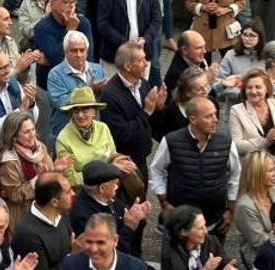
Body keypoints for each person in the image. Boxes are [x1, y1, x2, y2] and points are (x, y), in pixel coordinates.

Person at [149, 95, 241, 241]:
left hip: (216, 221)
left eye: (215, 114)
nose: (215, 119)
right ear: (193, 119)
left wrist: (230, 210)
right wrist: (164, 203)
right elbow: (157, 170)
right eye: (209, 116)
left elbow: (235, 176)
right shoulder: (171, 141)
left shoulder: (226, 143)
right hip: (180, 222)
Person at [99, 41, 168, 184]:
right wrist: (147, 111)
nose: (146, 63)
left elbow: (150, 123)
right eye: (141, 60)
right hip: (124, 162)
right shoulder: (110, 95)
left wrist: (158, 107)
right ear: (128, 66)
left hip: (141, 156)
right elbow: (121, 134)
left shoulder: (142, 83)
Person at [0, 111, 72, 231]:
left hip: (47, 211)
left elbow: (47, 178)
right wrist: (38, 179)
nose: (32, 135)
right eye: (26, 132)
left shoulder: (40, 148)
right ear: (14, 136)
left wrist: (56, 170)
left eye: (33, 129)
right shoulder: (8, 161)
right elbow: (15, 194)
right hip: (23, 216)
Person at [70, 160, 150, 255]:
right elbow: (109, 252)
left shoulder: (104, 197)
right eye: (114, 183)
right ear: (102, 188)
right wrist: (129, 226)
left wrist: (135, 212)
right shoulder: (84, 216)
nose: (116, 187)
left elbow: (122, 209)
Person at [47, 30, 107, 145]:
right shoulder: (55, 74)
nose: (79, 54)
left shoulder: (98, 69)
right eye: (74, 51)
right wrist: (91, 90)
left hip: (94, 134)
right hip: (67, 137)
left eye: (82, 50)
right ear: (65, 52)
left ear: (87, 51)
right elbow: (62, 104)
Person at [229, 68, 275, 160]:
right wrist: (265, 142)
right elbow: (236, 145)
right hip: (252, 167)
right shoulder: (236, 111)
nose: (253, 91)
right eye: (249, 88)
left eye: (258, 87)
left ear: (267, 89)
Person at [34, 0, 94, 91]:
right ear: (53, 4)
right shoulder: (42, 28)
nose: (71, 6)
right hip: (53, 86)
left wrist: (50, 61)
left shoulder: (83, 23)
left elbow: (87, 58)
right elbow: (57, 59)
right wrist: (70, 30)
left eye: (73, 2)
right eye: (66, 2)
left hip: (81, 83)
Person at [95, 0, 159, 79]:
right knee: (112, 89)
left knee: (140, 90)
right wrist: (125, 44)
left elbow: (156, 20)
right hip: (113, 56)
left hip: (142, 54)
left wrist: (146, 38)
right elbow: (103, 24)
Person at [153, 66, 212, 141]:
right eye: (200, 89)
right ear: (188, 93)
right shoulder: (172, 112)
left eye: (206, 86)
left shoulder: (211, 103)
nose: (206, 91)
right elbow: (160, 135)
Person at [213, 20, 266, 104]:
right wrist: (242, 94)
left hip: (261, 105)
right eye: (245, 35)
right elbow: (218, 85)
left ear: (260, 38)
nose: (247, 39)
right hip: (236, 105)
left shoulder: (266, 57)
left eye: (252, 35)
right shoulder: (231, 55)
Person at [164, 30, 214, 96]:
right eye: (199, 48)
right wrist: (208, 81)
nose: (204, 51)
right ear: (184, 50)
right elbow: (196, 98)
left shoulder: (197, 59)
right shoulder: (178, 73)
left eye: (204, 47)